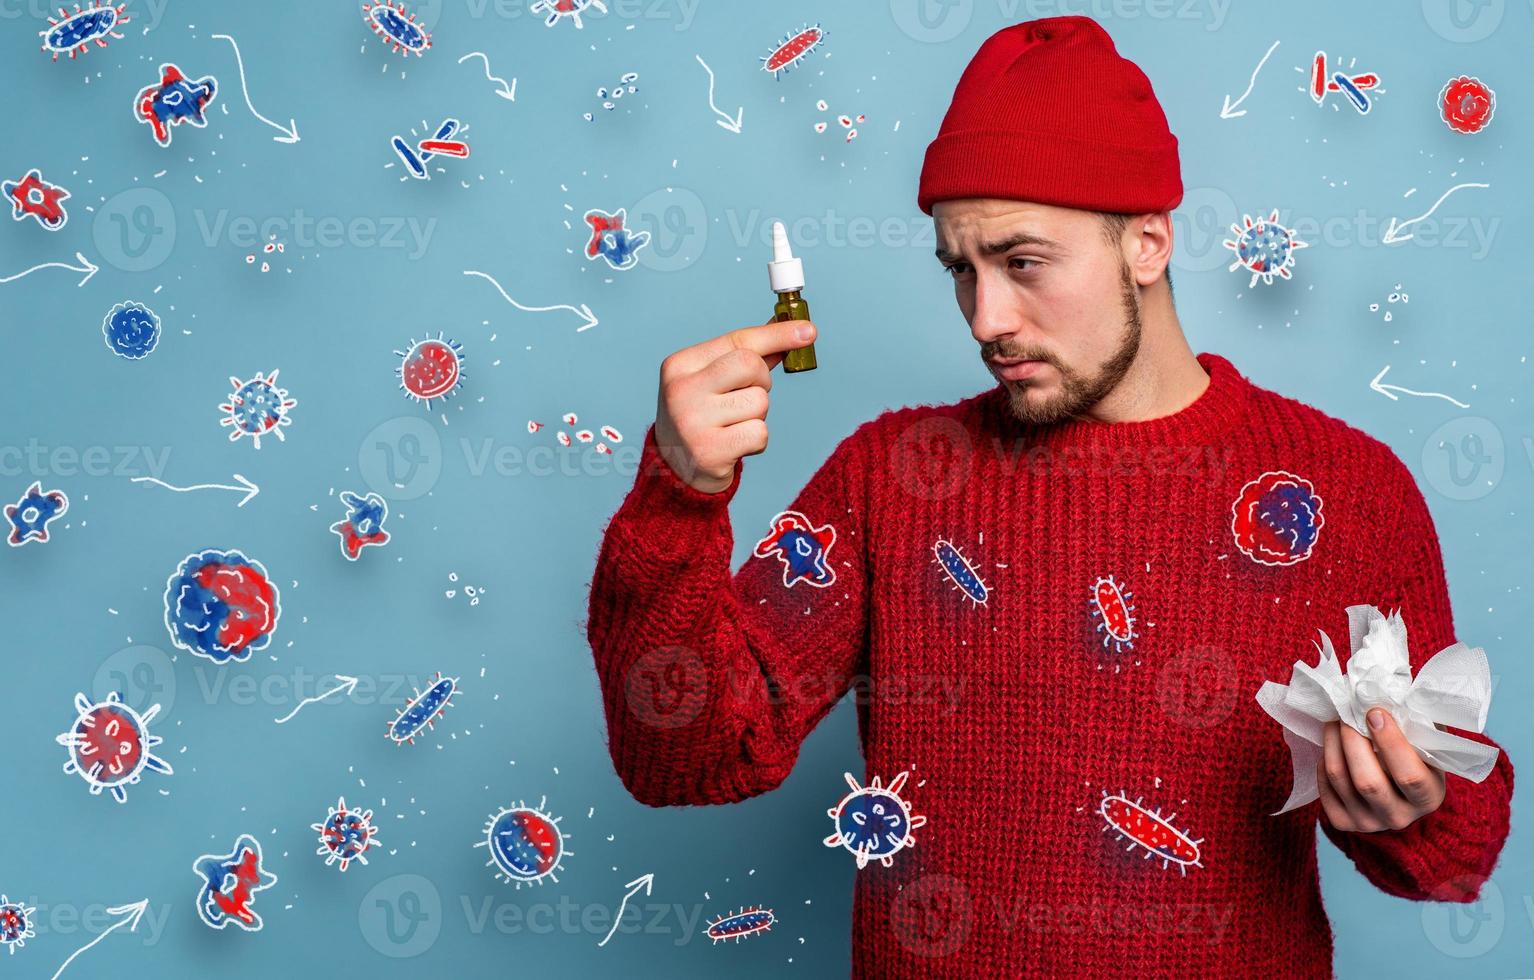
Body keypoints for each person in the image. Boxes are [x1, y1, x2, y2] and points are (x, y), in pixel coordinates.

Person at [585, 16, 1512, 977]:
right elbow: (684, 760)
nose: (987, 319)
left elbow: (1459, 860)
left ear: (1147, 242)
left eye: (1023, 263)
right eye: (961, 270)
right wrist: (678, 497)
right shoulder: (890, 475)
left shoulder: (1348, 490)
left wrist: (1414, 810)